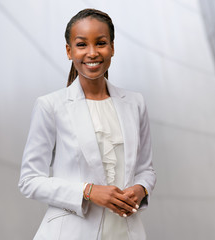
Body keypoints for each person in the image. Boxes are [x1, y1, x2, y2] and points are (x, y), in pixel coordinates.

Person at [18, 8, 156, 240]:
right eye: (82, 45)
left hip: (126, 231)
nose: (92, 53)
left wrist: (140, 189)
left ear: (112, 47)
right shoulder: (50, 106)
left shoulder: (135, 103)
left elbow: (146, 169)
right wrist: (89, 192)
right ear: (69, 51)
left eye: (100, 43)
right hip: (71, 232)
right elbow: (29, 181)